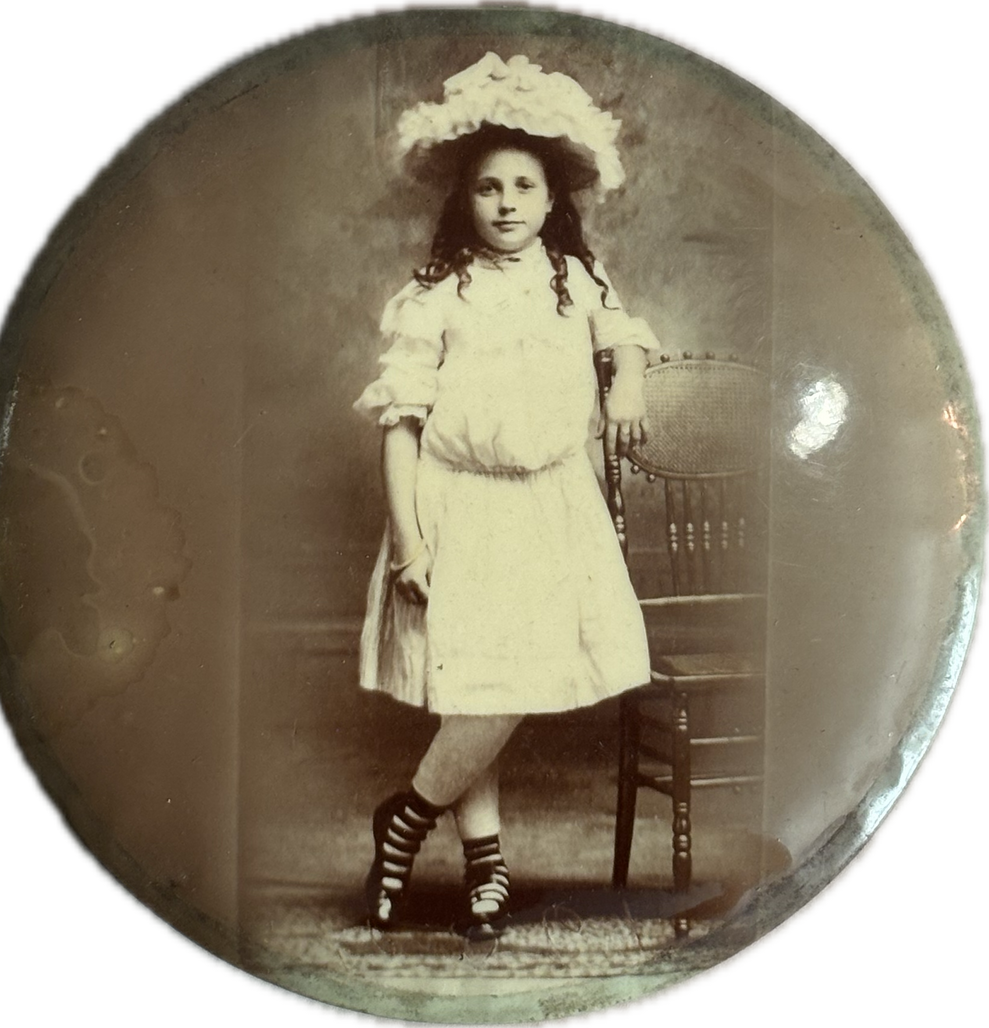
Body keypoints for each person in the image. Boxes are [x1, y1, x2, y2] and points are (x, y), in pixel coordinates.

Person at [353, 53, 658, 938]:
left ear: (553, 198)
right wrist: (411, 545)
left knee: (503, 681)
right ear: (464, 200)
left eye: (525, 185)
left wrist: (627, 382)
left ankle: (406, 820)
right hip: (459, 508)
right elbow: (400, 424)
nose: (508, 203)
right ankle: (486, 865)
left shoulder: (576, 279)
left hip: (550, 507)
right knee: (480, 684)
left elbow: (623, 336)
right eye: (489, 187)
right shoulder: (433, 295)